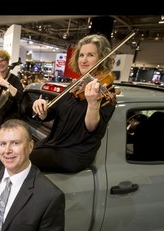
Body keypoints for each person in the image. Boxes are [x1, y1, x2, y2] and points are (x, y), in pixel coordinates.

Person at [30, 34, 117, 173]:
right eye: (81, 55)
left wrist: (93, 104)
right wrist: (43, 109)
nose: (83, 60)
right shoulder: (75, 85)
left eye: (90, 55)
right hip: (54, 144)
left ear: (102, 58)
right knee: (19, 148)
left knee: (22, 158)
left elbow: (92, 128)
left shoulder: (106, 92)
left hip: (74, 153)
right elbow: (52, 112)